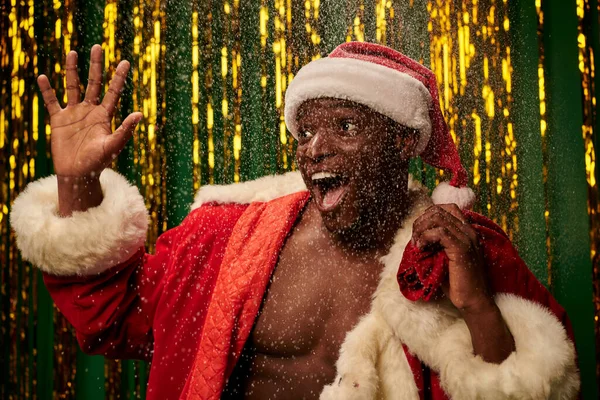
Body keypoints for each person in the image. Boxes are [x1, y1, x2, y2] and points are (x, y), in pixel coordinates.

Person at [10, 42, 579, 400]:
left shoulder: (459, 248)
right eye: (304, 132)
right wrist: (77, 184)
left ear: (404, 139)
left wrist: (477, 304)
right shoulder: (222, 239)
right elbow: (113, 315)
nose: (315, 150)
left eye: (346, 127)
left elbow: (540, 388)